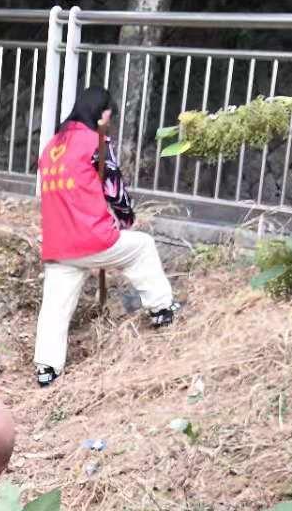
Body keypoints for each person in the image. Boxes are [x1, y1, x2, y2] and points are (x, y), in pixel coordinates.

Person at [33, 85, 183, 387]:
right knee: (142, 247)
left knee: (55, 305)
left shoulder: (51, 147)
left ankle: (46, 368)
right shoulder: (95, 141)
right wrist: (127, 218)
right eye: (108, 117)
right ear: (100, 114)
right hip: (92, 238)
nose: (108, 123)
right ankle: (161, 308)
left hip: (57, 244)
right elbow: (113, 188)